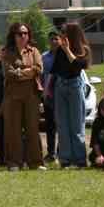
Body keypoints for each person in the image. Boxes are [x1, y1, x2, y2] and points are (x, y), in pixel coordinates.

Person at [0, 22, 44, 171]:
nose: (23, 36)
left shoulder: (34, 51)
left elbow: (38, 69)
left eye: (26, 33)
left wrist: (20, 72)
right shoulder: (6, 52)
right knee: (13, 130)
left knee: (33, 128)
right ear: (14, 36)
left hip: (32, 95)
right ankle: (14, 163)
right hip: (12, 96)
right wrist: (27, 72)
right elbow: (9, 73)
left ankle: (36, 163)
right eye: (20, 33)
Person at [51, 22, 90, 168]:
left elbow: (79, 66)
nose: (61, 35)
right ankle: (65, 159)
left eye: (63, 32)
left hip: (75, 86)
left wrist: (67, 50)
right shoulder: (59, 50)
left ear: (72, 34)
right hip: (60, 86)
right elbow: (55, 70)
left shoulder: (83, 49)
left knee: (77, 124)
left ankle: (80, 159)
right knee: (62, 125)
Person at [39, 29, 61, 160]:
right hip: (48, 95)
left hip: (62, 94)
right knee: (50, 126)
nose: (54, 41)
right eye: (51, 39)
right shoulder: (44, 57)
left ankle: (61, 151)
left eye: (56, 39)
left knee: (61, 125)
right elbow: (41, 76)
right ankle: (51, 152)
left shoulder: (64, 55)